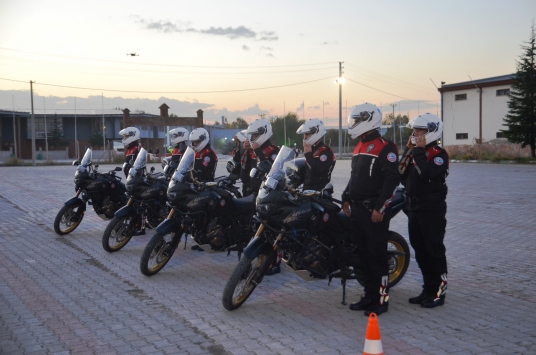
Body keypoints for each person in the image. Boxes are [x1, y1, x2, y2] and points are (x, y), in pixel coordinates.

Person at [341, 103, 400, 316]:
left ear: (369, 120)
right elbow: (355, 176)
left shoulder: (386, 147)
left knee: (377, 257)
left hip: (373, 212)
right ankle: (369, 296)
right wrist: (346, 196)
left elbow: (392, 180)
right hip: (357, 210)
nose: (353, 124)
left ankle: (381, 300)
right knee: (363, 256)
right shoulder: (359, 146)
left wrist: (380, 208)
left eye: (357, 120)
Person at [399, 113, 449, 308]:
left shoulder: (438, 154)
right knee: (420, 250)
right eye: (415, 130)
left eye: (420, 130)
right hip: (414, 208)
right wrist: (408, 151)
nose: (416, 133)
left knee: (434, 251)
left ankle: (438, 293)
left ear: (432, 131)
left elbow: (426, 173)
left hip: (432, 209)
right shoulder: (415, 152)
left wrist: (418, 151)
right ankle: (428, 289)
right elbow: (401, 172)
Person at [246, 118, 281, 274]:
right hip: (256, 193)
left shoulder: (274, 150)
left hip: (270, 194)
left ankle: (274, 262)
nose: (252, 139)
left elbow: (271, 169)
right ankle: (258, 259)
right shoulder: (254, 150)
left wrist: (258, 151)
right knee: (256, 228)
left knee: (271, 229)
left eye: (254, 135)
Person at [296, 118, 336, 191]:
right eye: (304, 134)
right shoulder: (313, 150)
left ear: (316, 133)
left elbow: (317, 169)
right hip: (307, 191)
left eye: (307, 134)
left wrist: (308, 154)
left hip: (319, 193)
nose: (305, 137)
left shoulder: (325, 152)